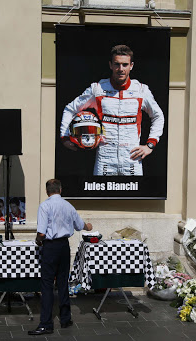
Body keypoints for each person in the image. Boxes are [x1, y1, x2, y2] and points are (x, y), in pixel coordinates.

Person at [60, 44, 165, 176]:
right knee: (101, 196)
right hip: (105, 159)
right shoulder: (97, 89)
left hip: (132, 158)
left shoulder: (141, 90)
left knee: (135, 197)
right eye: (117, 64)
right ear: (110, 65)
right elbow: (70, 109)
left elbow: (158, 116)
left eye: (125, 65)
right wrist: (64, 137)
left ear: (131, 66)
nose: (120, 69)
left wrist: (150, 145)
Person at [28, 179, 93, 335]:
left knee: (47, 284)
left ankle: (46, 324)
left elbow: (42, 233)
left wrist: (38, 241)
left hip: (50, 247)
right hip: (64, 246)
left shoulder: (45, 205)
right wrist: (88, 226)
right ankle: (65, 319)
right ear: (60, 190)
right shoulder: (68, 205)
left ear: (47, 191)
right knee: (63, 282)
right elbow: (79, 225)